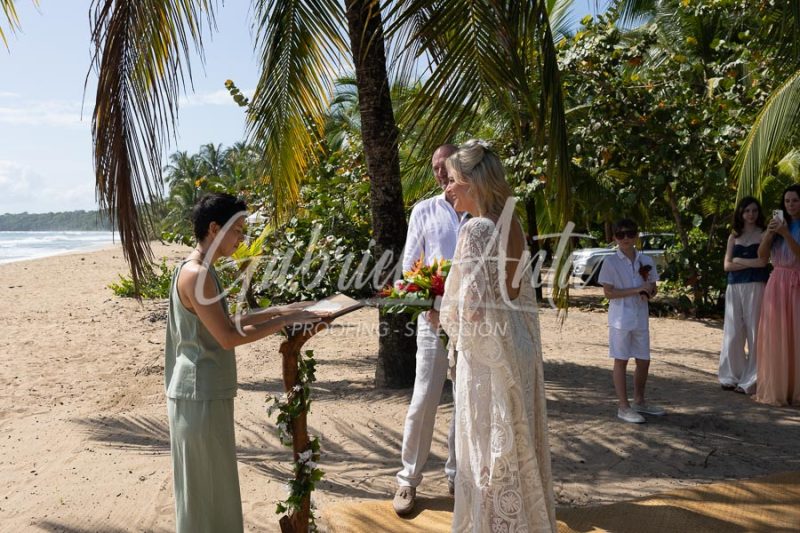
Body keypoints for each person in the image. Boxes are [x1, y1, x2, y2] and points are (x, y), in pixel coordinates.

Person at [165, 193, 319, 533]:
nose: (241, 239)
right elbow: (227, 337)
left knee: (213, 487)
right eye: (237, 230)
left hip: (204, 392)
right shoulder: (197, 274)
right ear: (214, 228)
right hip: (199, 394)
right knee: (205, 492)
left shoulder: (201, 269)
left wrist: (282, 310)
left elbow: (226, 322)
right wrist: (283, 321)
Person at [439, 140, 556, 532]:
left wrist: (441, 304)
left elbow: (473, 310)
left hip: (488, 358)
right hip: (517, 347)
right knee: (515, 449)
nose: (447, 189)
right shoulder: (513, 223)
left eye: (452, 180)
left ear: (473, 182)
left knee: (487, 452)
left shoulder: (476, 229)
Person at [393, 144, 469, 516]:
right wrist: (430, 310)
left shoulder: (480, 209)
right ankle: (407, 479)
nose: (440, 172)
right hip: (434, 321)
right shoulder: (424, 210)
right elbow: (410, 269)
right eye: (435, 166)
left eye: (446, 166)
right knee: (424, 399)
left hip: (474, 324)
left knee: (465, 400)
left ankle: (457, 475)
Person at [598, 219, 664, 424]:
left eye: (630, 233)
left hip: (640, 316)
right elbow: (608, 293)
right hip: (620, 318)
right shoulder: (610, 262)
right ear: (614, 238)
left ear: (636, 236)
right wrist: (636, 290)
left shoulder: (646, 259)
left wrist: (649, 292)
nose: (625, 238)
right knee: (621, 360)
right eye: (620, 234)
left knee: (644, 360)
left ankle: (639, 401)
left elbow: (653, 287)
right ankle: (623, 406)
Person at [754, 184, 800, 406]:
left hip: (796, 283)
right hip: (777, 283)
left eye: (795, 200)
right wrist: (770, 234)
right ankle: (779, 388)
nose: (791, 205)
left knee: (796, 335)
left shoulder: (790, 229)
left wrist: (786, 234)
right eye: (787, 201)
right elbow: (762, 256)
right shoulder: (778, 225)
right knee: (777, 336)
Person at [719, 197, 768, 394]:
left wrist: (739, 259)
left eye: (754, 210)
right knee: (733, 332)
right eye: (747, 210)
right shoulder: (734, 236)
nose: (751, 214)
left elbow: (762, 263)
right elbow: (727, 266)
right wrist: (748, 262)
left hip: (756, 285)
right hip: (734, 287)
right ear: (741, 213)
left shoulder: (764, 234)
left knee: (754, 331)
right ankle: (730, 376)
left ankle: (751, 379)